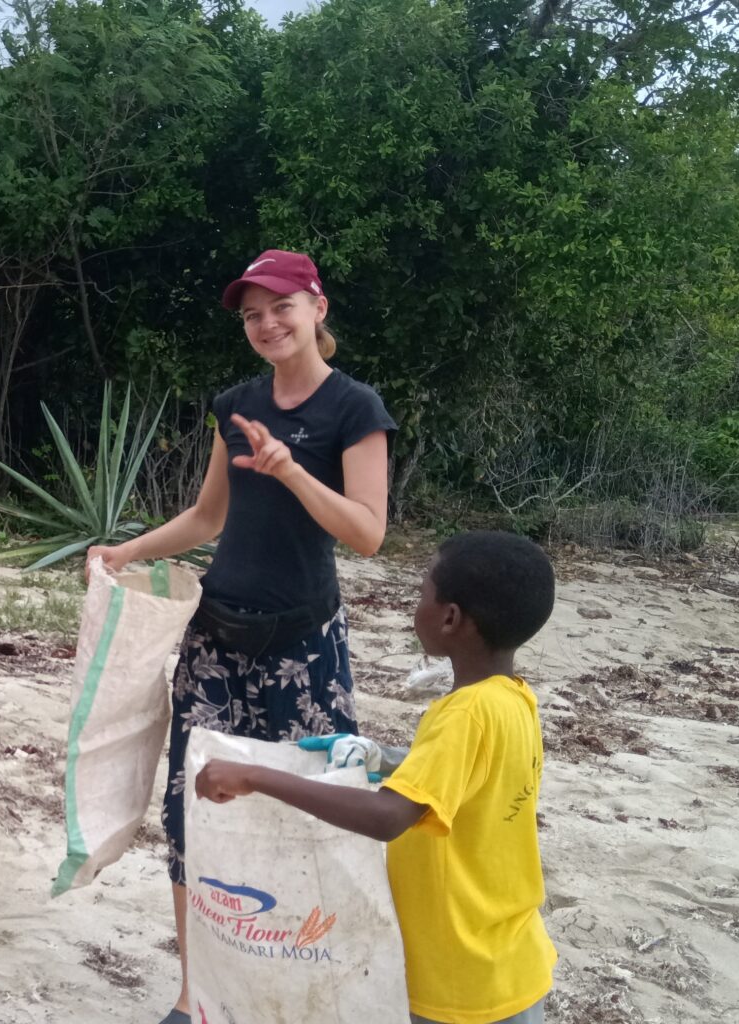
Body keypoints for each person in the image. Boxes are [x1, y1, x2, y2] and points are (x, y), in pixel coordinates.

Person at [87, 249, 395, 1024]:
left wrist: (291, 469)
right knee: (195, 809)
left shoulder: (355, 408)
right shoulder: (235, 403)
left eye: (280, 306)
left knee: (310, 807)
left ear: (317, 306)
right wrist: (126, 550)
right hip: (216, 640)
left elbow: (367, 534)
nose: (266, 323)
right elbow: (207, 518)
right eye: (252, 314)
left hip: (305, 645)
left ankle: (297, 987)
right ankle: (196, 996)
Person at [195, 531, 558, 1024]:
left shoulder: (464, 713)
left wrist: (254, 776)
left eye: (423, 594)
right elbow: (470, 779)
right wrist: (382, 759)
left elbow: (389, 817)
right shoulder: (514, 699)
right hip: (514, 965)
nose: (418, 605)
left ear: (450, 618)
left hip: (460, 985)